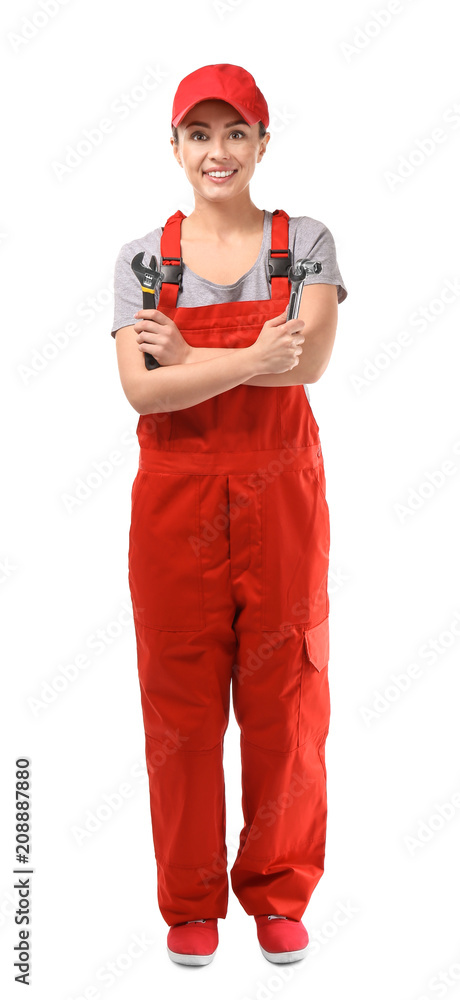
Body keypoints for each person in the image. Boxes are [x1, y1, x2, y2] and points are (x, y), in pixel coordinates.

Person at [111, 63, 348, 968]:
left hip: (280, 490)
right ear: (174, 147)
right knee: (180, 702)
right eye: (199, 134)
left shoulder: (308, 242)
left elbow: (311, 366)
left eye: (236, 132)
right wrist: (257, 351)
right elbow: (141, 391)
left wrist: (194, 364)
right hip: (176, 498)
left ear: (262, 144)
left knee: (287, 693)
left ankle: (279, 891)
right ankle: (191, 902)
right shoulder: (143, 259)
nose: (219, 151)